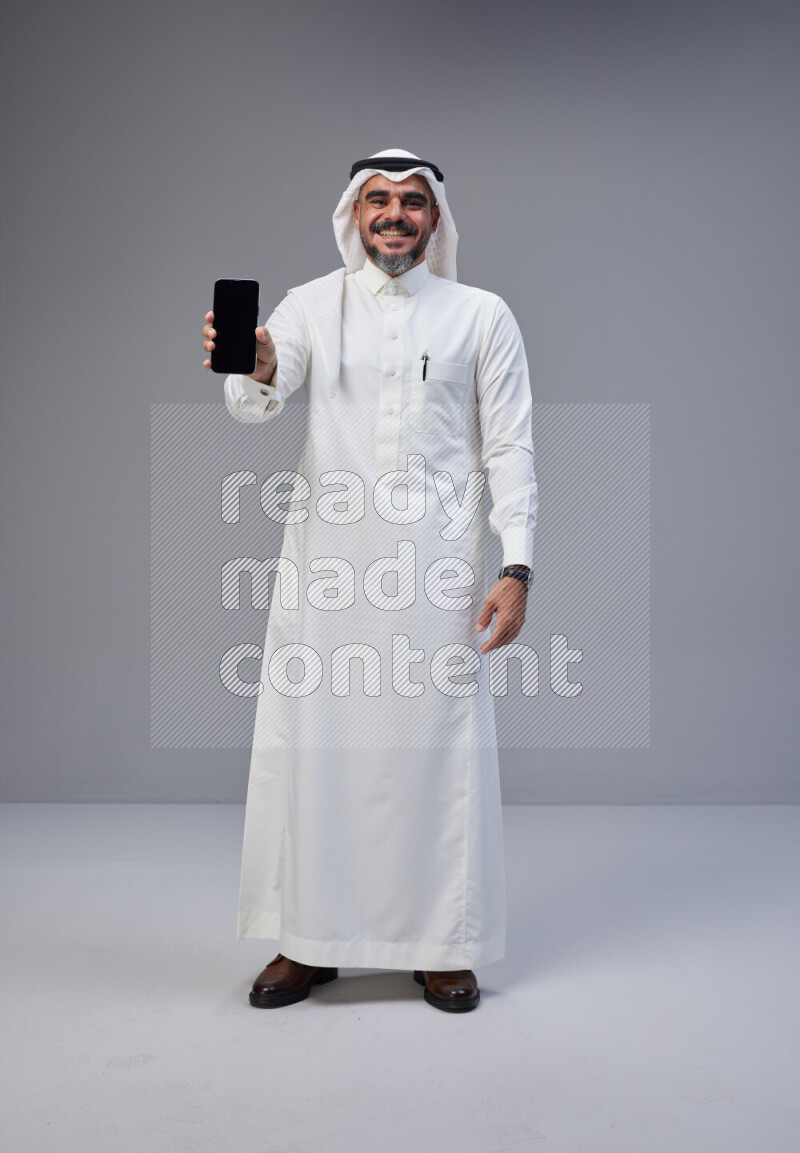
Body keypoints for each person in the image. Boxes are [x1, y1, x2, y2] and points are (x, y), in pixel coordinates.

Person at [201, 148, 537, 1013]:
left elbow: (510, 446)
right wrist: (262, 360)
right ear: (353, 214)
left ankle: (441, 943)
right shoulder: (314, 303)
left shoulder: (482, 315)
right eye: (377, 200)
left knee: (434, 754)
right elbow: (258, 398)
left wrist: (516, 564)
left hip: (438, 570)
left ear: (436, 219)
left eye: (413, 202)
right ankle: (310, 940)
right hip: (330, 572)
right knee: (319, 752)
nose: (394, 214)